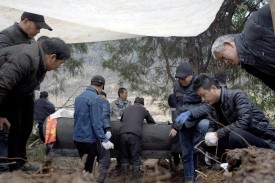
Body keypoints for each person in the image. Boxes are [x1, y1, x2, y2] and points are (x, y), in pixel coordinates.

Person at [0, 37, 71, 172]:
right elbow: (3, 86)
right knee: (3, 133)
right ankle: (3, 171)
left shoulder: (40, 64)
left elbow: (18, 90)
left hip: (12, 101)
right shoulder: (26, 58)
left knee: (20, 128)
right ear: (52, 57)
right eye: (60, 64)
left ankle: (14, 165)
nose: (58, 68)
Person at [0, 11, 52, 172]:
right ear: (25, 21)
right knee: (6, 130)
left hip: (24, 93)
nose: (38, 31)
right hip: (8, 91)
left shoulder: (31, 41)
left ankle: (19, 161)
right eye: (37, 27)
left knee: (24, 127)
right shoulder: (5, 36)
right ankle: (5, 164)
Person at [192, 74, 275, 161]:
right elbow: (212, 126)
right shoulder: (212, 106)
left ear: (213, 87)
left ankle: (242, 162)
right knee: (206, 143)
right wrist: (209, 136)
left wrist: (218, 134)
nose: (202, 99)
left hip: (263, 140)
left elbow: (244, 122)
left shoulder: (237, 96)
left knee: (235, 135)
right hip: (237, 142)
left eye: (203, 95)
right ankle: (230, 163)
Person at [211, 4, 275, 92]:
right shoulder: (248, 66)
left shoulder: (254, 24)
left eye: (223, 57)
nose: (225, 62)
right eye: (222, 61)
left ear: (228, 44)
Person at [173, 62, 211, 183]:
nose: (181, 81)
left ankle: (197, 174)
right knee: (186, 152)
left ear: (191, 75)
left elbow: (207, 105)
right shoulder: (176, 85)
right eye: (179, 79)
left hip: (198, 120)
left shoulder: (200, 83)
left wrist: (190, 113)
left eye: (183, 78)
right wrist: (176, 125)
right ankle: (189, 179)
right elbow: (177, 105)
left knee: (196, 150)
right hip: (183, 123)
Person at [73, 75, 114, 182]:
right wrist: (104, 139)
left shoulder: (79, 97)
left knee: (85, 165)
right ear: (102, 86)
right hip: (88, 139)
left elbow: (76, 117)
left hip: (77, 138)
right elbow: (96, 122)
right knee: (89, 170)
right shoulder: (96, 99)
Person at [119, 97, 155, 183]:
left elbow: (121, 119)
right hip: (134, 134)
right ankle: (136, 180)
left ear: (134, 102)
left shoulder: (127, 108)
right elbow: (151, 121)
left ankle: (126, 179)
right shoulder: (143, 109)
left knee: (124, 157)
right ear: (142, 104)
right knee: (135, 158)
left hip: (122, 134)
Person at [110, 87, 132, 169]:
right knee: (117, 146)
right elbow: (108, 115)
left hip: (126, 128)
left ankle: (126, 163)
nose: (127, 94)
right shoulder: (112, 104)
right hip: (115, 129)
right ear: (120, 94)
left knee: (127, 146)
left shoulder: (129, 104)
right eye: (125, 93)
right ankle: (119, 163)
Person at [98, 90, 112, 183]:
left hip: (84, 135)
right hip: (100, 132)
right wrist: (108, 129)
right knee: (105, 160)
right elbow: (104, 116)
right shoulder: (104, 101)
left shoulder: (83, 100)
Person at [167, 93, 182, 171]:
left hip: (176, 126)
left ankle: (177, 164)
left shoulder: (172, 97)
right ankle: (180, 165)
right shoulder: (180, 97)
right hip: (180, 126)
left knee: (176, 146)